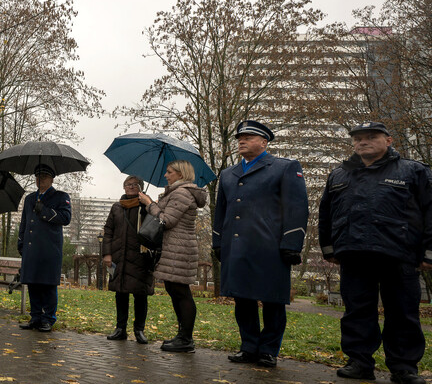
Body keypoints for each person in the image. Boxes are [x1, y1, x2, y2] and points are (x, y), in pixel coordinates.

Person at [319, 121, 432, 384]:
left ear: (389, 141)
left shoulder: (413, 171)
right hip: (354, 254)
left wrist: (428, 251)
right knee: (357, 311)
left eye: (371, 137)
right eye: (358, 139)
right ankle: (359, 363)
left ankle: (404, 368)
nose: (363, 142)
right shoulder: (339, 174)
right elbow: (326, 214)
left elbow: (430, 213)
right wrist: (329, 248)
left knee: (403, 312)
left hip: (399, 254)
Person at [213, 120, 308, 368]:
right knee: (242, 299)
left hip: (270, 247)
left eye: (248, 137)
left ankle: (268, 350)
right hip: (236, 247)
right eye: (239, 137)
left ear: (264, 142)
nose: (241, 141)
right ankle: (248, 347)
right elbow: (220, 211)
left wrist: (292, 243)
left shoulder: (284, 168)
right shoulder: (227, 174)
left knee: (273, 301)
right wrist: (218, 242)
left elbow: (296, 208)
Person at [139, 161, 207, 353]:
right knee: (174, 289)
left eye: (169, 172)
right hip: (173, 248)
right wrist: (152, 203)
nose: (166, 175)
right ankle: (182, 336)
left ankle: (186, 338)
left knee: (181, 291)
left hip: (180, 249)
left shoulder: (181, 193)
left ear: (180, 174)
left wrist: (150, 204)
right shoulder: (175, 193)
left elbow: (166, 220)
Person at [17, 164, 72, 332]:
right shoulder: (29, 198)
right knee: (33, 283)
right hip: (32, 248)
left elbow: (66, 218)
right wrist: (21, 241)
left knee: (48, 285)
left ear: (52, 179)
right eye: (38, 176)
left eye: (44, 176)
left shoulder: (61, 197)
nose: (40, 179)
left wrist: (46, 211)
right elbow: (25, 222)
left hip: (49, 249)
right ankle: (35, 317)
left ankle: (48, 318)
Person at [102, 175, 155, 344]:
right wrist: (107, 254)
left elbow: (156, 227)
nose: (131, 187)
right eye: (128, 184)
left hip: (141, 257)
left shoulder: (147, 206)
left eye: (135, 184)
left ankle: (139, 330)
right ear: (124, 187)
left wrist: (147, 204)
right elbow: (108, 231)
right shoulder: (117, 207)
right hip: (119, 257)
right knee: (121, 294)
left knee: (140, 295)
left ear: (141, 187)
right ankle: (120, 329)